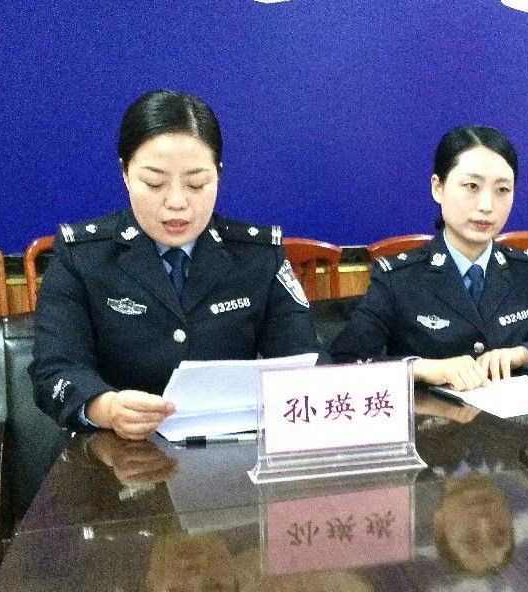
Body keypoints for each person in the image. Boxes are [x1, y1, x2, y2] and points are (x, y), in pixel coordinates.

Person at [30, 90, 325, 440]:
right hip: (116, 454)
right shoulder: (82, 256)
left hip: (231, 455)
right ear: (125, 173)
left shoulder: (257, 255)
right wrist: (104, 407)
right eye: (154, 183)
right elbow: (54, 369)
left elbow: (305, 361)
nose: (176, 202)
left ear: (218, 175)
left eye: (196, 184)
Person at [331, 125, 528, 390]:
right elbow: (343, 363)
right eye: (471, 186)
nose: (486, 206)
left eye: (502, 190)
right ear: (438, 188)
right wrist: (419, 368)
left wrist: (526, 354)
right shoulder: (398, 278)